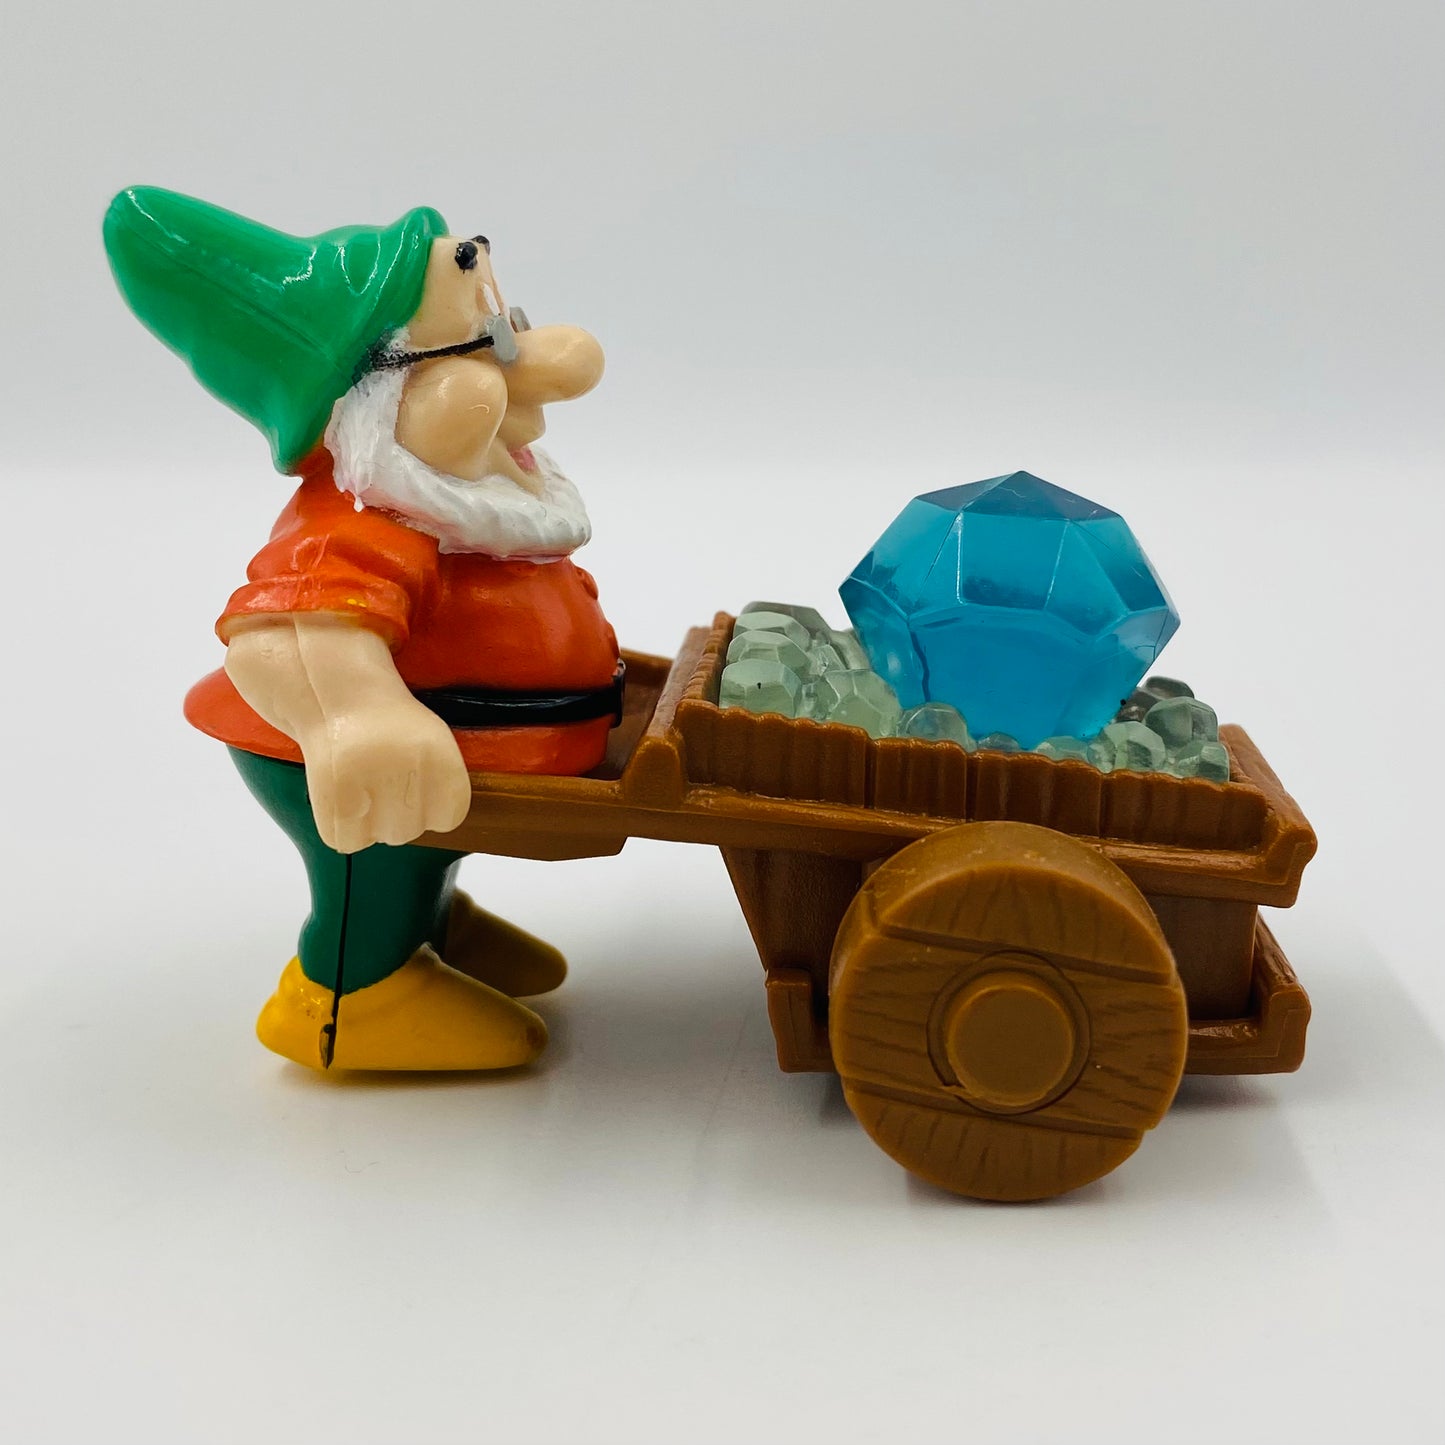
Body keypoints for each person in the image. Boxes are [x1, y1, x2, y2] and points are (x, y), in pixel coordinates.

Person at [105, 187, 618, 1073]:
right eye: (481, 354)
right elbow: (281, 634)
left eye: (504, 335)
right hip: (334, 758)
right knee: (376, 851)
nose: (523, 369)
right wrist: (359, 716)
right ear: (374, 395)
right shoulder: (360, 524)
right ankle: (347, 998)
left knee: (420, 842)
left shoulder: (463, 491)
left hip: (468, 741)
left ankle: (428, 921)